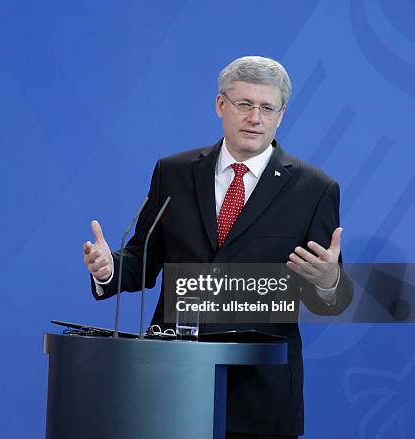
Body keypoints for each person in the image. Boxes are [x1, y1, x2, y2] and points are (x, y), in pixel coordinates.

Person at [82, 56, 353, 439]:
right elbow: (143, 259)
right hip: (173, 379)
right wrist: (109, 268)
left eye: (266, 107)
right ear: (221, 105)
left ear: (281, 114)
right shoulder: (172, 172)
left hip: (260, 390)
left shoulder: (314, 188)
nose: (254, 117)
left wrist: (328, 280)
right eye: (244, 104)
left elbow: (331, 298)